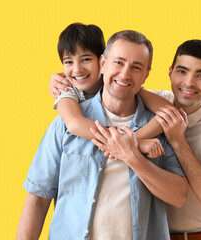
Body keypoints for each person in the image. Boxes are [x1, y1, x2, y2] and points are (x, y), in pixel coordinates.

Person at [16, 30, 188, 240]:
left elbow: (179, 196)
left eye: (136, 67)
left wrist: (131, 155)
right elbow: (37, 198)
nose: (125, 74)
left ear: (146, 74)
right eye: (118, 62)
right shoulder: (65, 122)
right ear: (103, 63)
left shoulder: (160, 128)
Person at [89, 40, 201, 240]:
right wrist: (63, 83)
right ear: (170, 72)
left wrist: (178, 141)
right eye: (182, 71)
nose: (189, 82)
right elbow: (119, 83)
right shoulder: (153, 103)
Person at [52, 23, 175, 159]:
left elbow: (170, 114)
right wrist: (134, 144)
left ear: (102, 62)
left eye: (86, 59)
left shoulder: (117, 81)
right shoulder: (66, 87)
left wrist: (132, 140)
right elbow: (74, 124)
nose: (77, 70)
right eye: (68, 62)